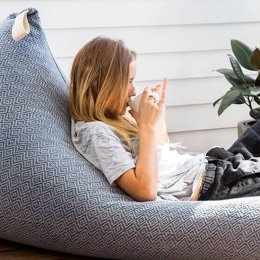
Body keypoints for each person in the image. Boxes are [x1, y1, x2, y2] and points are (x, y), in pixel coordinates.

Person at [70, 36, 260, 202]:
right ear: (104, 85)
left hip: (211, 163)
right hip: (212, 182)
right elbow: (145, 191)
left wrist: (157, 117)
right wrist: (146, 128)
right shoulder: (96, 132)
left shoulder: (114, 121)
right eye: (128, 81)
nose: (134, 90)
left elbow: (163, 152)